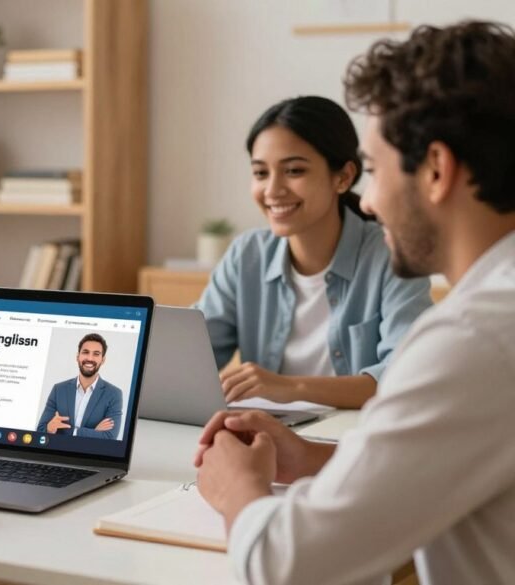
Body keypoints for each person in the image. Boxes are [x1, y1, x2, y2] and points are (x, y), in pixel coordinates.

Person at [195, 20, 515, 584]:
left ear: (436, 170)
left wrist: (235, 487)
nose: (367, 199)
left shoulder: (474, 340)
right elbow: (440, 460)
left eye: (371, 169)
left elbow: (289, 567)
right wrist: (314, 459)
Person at [196, 96, 433, 409]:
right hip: (266, 436)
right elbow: (193, 354)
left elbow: (403, 379)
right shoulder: (247, 254)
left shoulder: (392, 256)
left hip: (354, 441)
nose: (272, 190)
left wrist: (290, 387)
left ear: (343, 177)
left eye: (294, 171)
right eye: (261, 173)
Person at [36, 333, 123, 439]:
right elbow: (40, 430)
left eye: (96, 354)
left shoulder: (114, 394)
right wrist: (49, 428)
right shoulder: (58, 390)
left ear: (103, 360)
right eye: (85, 352)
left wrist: (73, 432)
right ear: (78, 357)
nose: (90, 358)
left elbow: (109, 437)